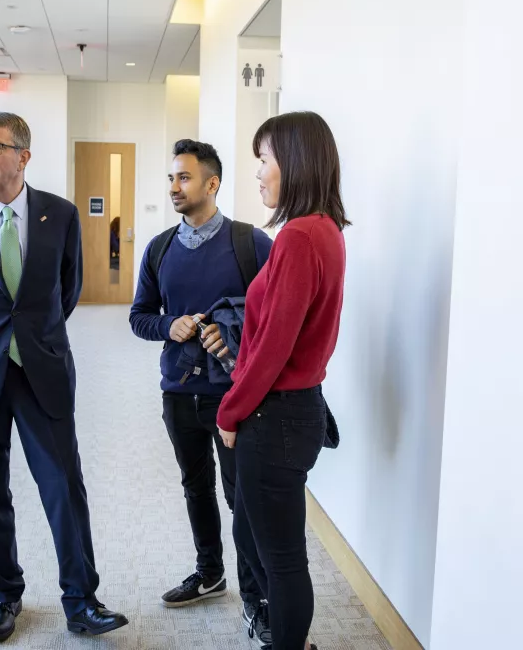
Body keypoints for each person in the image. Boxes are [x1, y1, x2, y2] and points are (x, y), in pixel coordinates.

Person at [0, 111, 128, 642]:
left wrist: (30, 336)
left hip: (42, 369)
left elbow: (69, 289)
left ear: (23, 156)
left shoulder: (59, 215)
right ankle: (4, 594)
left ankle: (81, 600)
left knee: (64, 486)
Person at [130, 139, 274, 645]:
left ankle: (257, 600)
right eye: (171, 178)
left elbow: (277, 321)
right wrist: (169, 326)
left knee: (242, 498)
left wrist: (230, 333)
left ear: (211, 183)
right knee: (196, 487)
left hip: (235, 397)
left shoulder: (250, 243)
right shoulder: (159, 248)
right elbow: (139, 318)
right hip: (178, 393)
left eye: (184, 178)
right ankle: (210, 573)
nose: (173, 187)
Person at [214, 112, 349, 650]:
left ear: (293, 163)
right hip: (291, 411)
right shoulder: (324, 231)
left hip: (277, 415)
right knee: (251, 533)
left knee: (282, 555)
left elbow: (274, 346)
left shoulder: (298, 236)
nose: (260, 174)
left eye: (264, 161)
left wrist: (230, 410)